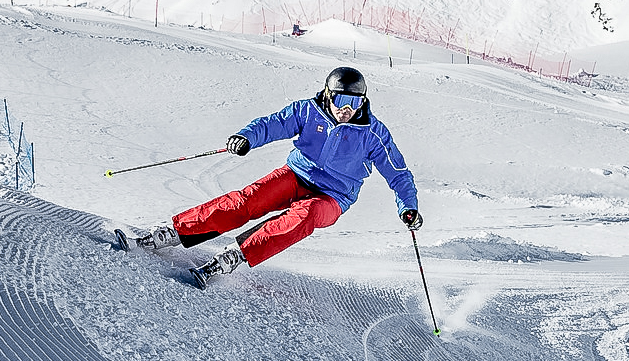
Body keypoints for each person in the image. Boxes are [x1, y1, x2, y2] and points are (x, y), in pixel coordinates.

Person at [129, 66, 421, 280]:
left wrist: (408, 207)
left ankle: (236, 255)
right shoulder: (308, 111)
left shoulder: (373, 133)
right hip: (296, 175)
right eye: (341, 101)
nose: (346, 110)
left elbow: (398, 174)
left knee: (303, 216)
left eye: (355, 103)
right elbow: (272, 124)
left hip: (334, 197)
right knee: (248, 201)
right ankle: (174, 232)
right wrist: (247, 137)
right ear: (329, 95)